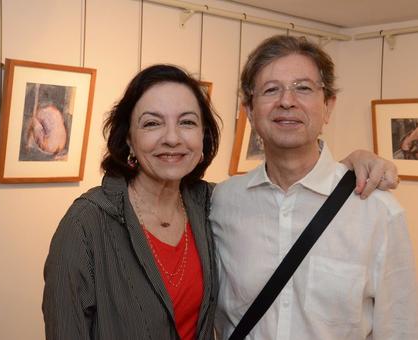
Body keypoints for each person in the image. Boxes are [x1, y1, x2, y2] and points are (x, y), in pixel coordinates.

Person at [42, 64, 399, 340]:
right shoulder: (87, 224)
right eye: (152, 124)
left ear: (203, 137)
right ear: (129, 140)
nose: (171, 138)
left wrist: (354, 163)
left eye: (187, 122)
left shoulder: (213, 203)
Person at [211, 35, 417, 339]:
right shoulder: (222, 202)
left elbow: (400, 329)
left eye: (303, 88)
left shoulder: (376, 212)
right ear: (250, 112)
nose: (286, 101)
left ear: (328, 106)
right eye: (271, 90)